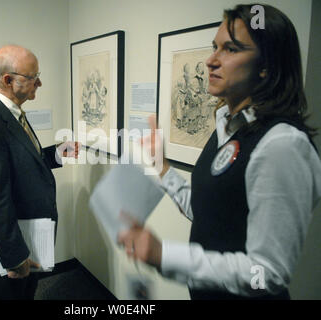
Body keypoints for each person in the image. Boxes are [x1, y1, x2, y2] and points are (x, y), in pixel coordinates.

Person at [118, 4, 321, 300]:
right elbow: (209, 212)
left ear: (266, 65)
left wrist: (166, 256)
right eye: (214, 47)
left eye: (231, 49)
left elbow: (267, 273)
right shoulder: (228, 127)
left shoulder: (282, 145)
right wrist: (162, 169)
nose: (211, 60)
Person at [0, 45, 80, 300]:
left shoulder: (13, 115)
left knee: (26, 295)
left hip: (28, 232)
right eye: (33, 76)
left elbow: (24, 163)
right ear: (8, 80)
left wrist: (58, 153)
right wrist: (15, 257)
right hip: (9, 247)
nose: (39, 82)